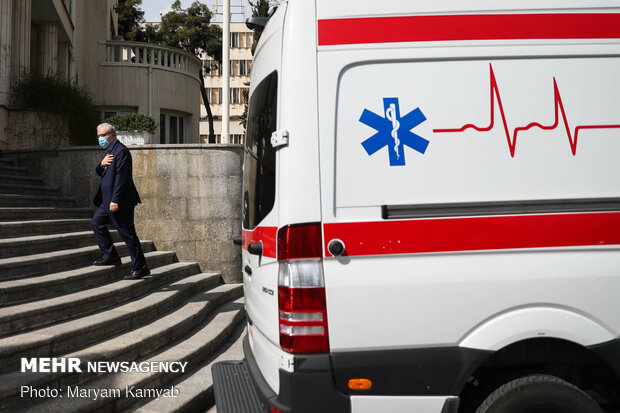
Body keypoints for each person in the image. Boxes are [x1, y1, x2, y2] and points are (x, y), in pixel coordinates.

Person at [92, 123, 150, 280]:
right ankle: (110, 256)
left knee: (128, 234)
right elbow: (100, 172)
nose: (100, 139)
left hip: (118, 201)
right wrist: (101, 164)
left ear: (112, 135)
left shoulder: (121, 151)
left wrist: (115, 200)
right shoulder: (109, 151)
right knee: (97, 223)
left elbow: (122, 178)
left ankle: (141, 267)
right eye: (99, 136)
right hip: (106, 201)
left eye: (103, 135)